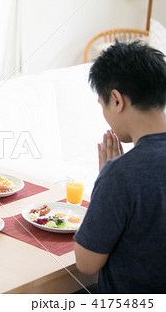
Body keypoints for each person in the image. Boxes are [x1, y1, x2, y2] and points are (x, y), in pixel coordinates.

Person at [74, 41, 166, 293]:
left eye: (102, 105)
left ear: (116, 100)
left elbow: (86, 263)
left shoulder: (122, 173)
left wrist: (106, 179)